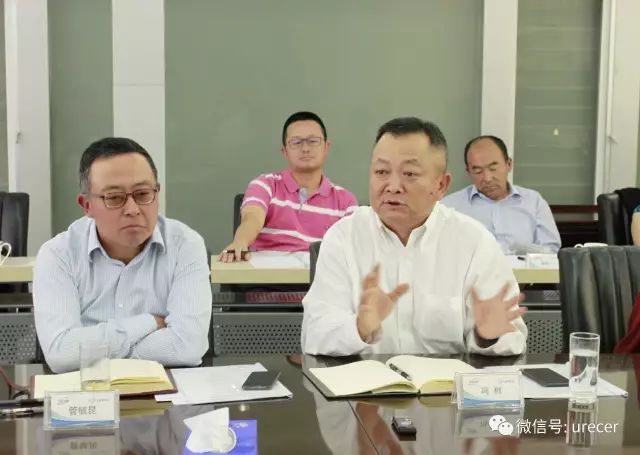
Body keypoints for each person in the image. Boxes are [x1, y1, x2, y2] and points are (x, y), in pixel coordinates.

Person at [301, 117, 527, 356]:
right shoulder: (344, 237)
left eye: (409, 173)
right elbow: (315, 334)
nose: (392, 186)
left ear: (441, 185)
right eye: (381, 171)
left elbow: (512, 339)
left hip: (445, 380)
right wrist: (359, 328)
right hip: (363, 379)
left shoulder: (474, 242)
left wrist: (486, 336)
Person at [33, 137, 212, 373]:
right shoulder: (58, 255)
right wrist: (149, 322)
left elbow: (188, 346)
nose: (132, 209)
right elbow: (61, 354)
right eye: (114, 198)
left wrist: (93, 353)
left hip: (169, 388)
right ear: (86, 205)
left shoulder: (185, 245)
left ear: (157, 194)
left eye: (143, 194)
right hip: (87, 391)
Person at [219, 111, 358, 262]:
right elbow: (252, 218)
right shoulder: (265, 185)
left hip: (319, 275)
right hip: (268, 274)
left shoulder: (346, 201)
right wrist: (241, 241)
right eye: (296, 142)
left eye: (313, 141)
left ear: (326, 147)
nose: (305, 148)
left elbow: (353, 250)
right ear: (284, 151)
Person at [441, 135, 560, 254]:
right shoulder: (450, 207)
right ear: (468, 172)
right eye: (478, 171)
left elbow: (550, 252)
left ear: (509, 164)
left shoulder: (534, 202)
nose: (487, 178)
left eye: (493, 168)